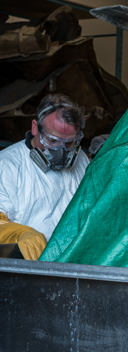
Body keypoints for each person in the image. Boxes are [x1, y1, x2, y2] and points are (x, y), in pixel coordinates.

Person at [0, 94, 89, 260]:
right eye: (52, 140)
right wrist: (20, 234)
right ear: (35, 128)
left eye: (69, 143)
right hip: (28, 267)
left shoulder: (82, 160)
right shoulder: (7, 165)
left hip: (75, 262)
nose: (60, 151)